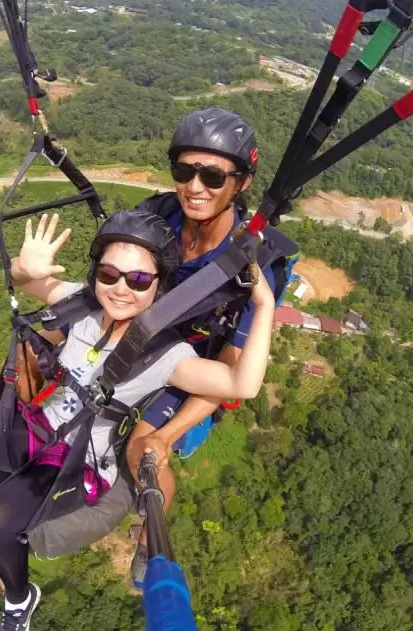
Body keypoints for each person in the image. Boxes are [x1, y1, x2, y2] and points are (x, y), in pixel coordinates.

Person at [0, 209, 276, 631]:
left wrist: (264, 306)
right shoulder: (84, 304)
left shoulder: (166, 354)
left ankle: (19, 598)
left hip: (76, 460)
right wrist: (24, 268)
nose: (121, 289)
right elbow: (29, 283)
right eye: (110, 274)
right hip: (38, 426)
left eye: (139, 281)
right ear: (96, 274)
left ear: (159, 284)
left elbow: (242, 384)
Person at [124, 107, 295, 585]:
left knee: (144, 453)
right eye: (184, 171)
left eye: (212, 175)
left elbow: (231, 365)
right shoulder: (156, 215)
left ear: (240, 183)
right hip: (139, 336)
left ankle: (148, 541)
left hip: (200, 361)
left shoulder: (260, 262)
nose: (194, 187)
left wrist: (168, 431)